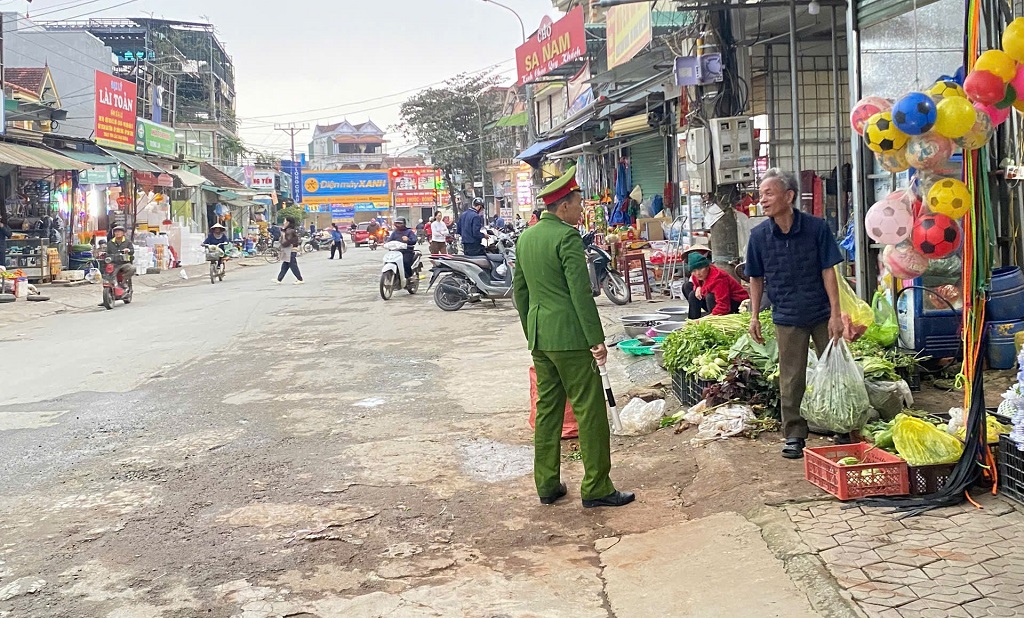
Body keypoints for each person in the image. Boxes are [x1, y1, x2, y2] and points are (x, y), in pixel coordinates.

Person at [512, 167, 635, 509]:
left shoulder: (527, 237)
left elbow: (519, 293)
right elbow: (581, 293)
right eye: (578, 202)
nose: (581, 209)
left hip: (540, 338)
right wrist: (596, 339)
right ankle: (597, 486)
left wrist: (532, 331)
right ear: (563, 206)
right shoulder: (566, 238)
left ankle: (547, 483)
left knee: (548, 410)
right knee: (589, 409)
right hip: (570, 337)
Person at [746, 168, 845, 460]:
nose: (762, 200)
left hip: (820, 311)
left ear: (788, 196)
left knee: (834, 372)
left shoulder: (817, 228)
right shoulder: (758, 236)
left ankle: (841, 425)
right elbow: (755, 278)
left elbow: (829, 271)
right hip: (786, 315)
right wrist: (753, 316)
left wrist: (836, 314)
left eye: (768, 193)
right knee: (791, 378)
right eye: (761, 194)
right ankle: (794, 435)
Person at [682, 252, 749, 320]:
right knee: (690, 291)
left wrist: (707, 318)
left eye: (700, 269)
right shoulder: (695, 276)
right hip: (717, 301)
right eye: (694, 270)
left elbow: (724, 306)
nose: (697, 273)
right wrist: (698, 287)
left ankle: (713, 319)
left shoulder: (718, 278)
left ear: (707, 267)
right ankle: (693, 320)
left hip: (735, 304)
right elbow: (697, 284)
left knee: (710, 297)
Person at [277, 217, 304, 284]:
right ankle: (279, 279)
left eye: (284, 221)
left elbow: (288, 241)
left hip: (291, 250)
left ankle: (300, 279)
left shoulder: (289, 231)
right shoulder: (289, 230)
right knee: (285, 265)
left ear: (288, 222)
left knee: (293, 265)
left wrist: (282, 243)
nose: (283, 223)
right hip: (289, 250)